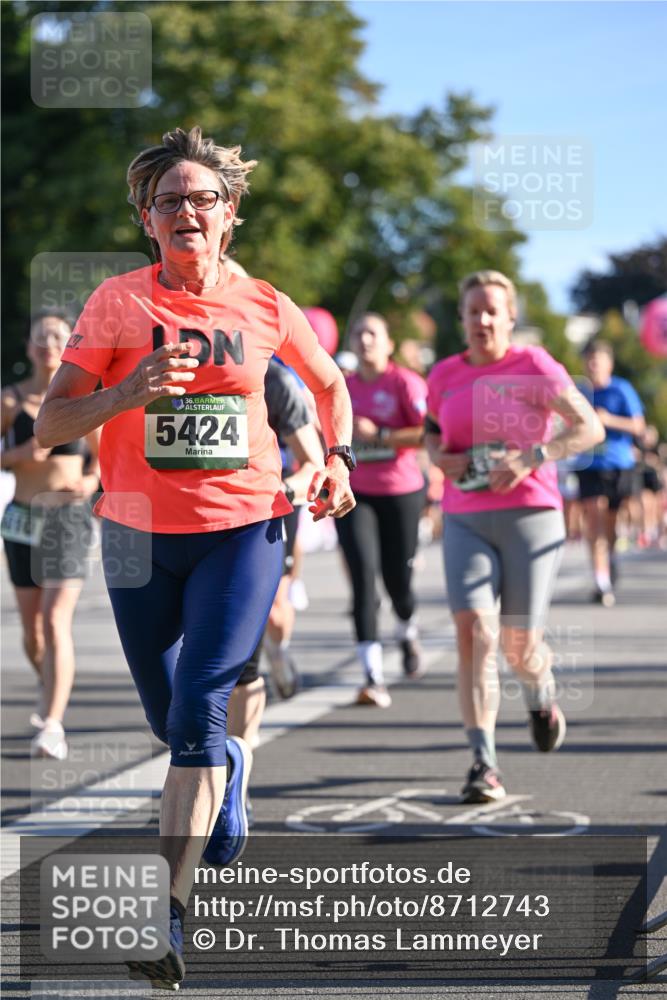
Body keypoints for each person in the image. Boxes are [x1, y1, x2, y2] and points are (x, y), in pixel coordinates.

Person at [35, 125, 355, 988]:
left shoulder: (263, 305)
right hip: (137, 533)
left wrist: (334, 458)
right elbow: (49, 425)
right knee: (169, 715)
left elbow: (327, 385)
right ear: (146, 218)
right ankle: (231, 767)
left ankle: (165, 913)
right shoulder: (115, 304)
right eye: (169, 200)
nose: (187, 212)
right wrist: (126, 392)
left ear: (229, 215)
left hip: (243, 527)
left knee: (203, 703)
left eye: (202, 199)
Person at [425, 270, 604, 804]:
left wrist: (533, 456)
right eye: (472, 310)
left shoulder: (535, 366)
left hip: (531, 515)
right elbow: (433, 434)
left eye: (491, 311)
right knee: (473, 634)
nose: (481, 319)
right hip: (466, 516)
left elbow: (588, 427)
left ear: (508, 318)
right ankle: (485, 763)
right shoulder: (445, 374)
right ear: (461, 319)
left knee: (519, 645)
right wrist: (440, 458)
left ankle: (541, 693)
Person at [1, 312, 100, 760]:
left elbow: (104, 457)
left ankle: (53, 722)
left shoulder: (83, 401)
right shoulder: (10, 401)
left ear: (70, 344)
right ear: (28, 348)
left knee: (55, 619)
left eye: (58, 336)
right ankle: (50, 692)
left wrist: (90, 482)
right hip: (22, 519)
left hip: (68, 519)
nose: (48, 343)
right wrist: (21, 452)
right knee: (32, 633)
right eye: (40, 337)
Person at [336, 312, 428, 708]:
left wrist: (384, 435)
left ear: (389, 343)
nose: (365, 339)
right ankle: (372, 675)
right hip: (356, 493)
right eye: (358, 332)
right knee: (362, 577)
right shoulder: (341, 386)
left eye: (373, 332)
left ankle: (406, 629)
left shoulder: (405, 382)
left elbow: (430, 432)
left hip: (401, 491)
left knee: (398, 582)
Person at [576, 340, 645, 606]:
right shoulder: (578, 392)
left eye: (598, 359)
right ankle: (601, 581)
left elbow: (638, 425)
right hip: (589, 465)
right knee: (594, 516)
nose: (593, 365)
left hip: (619, 465)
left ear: (609, 363)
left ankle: (611, 558)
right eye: (589, 359)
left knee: (611, 523)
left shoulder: (622, 389)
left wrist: (607, 419)